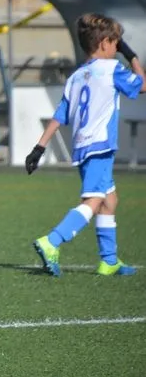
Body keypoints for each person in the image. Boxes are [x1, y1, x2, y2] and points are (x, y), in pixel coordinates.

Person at [26, 14, 145, 277]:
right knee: (93, 200)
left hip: (81, 147)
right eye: (116, 43)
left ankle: (109, 260)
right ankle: (52, 241)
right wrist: (132, 55)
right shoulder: (113, 69)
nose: (118, 48)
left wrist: (39, 147)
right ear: (105, 43)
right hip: (101, 146)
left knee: (109, 200)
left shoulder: (77, 76)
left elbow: (60, 115)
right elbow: (143, 84)